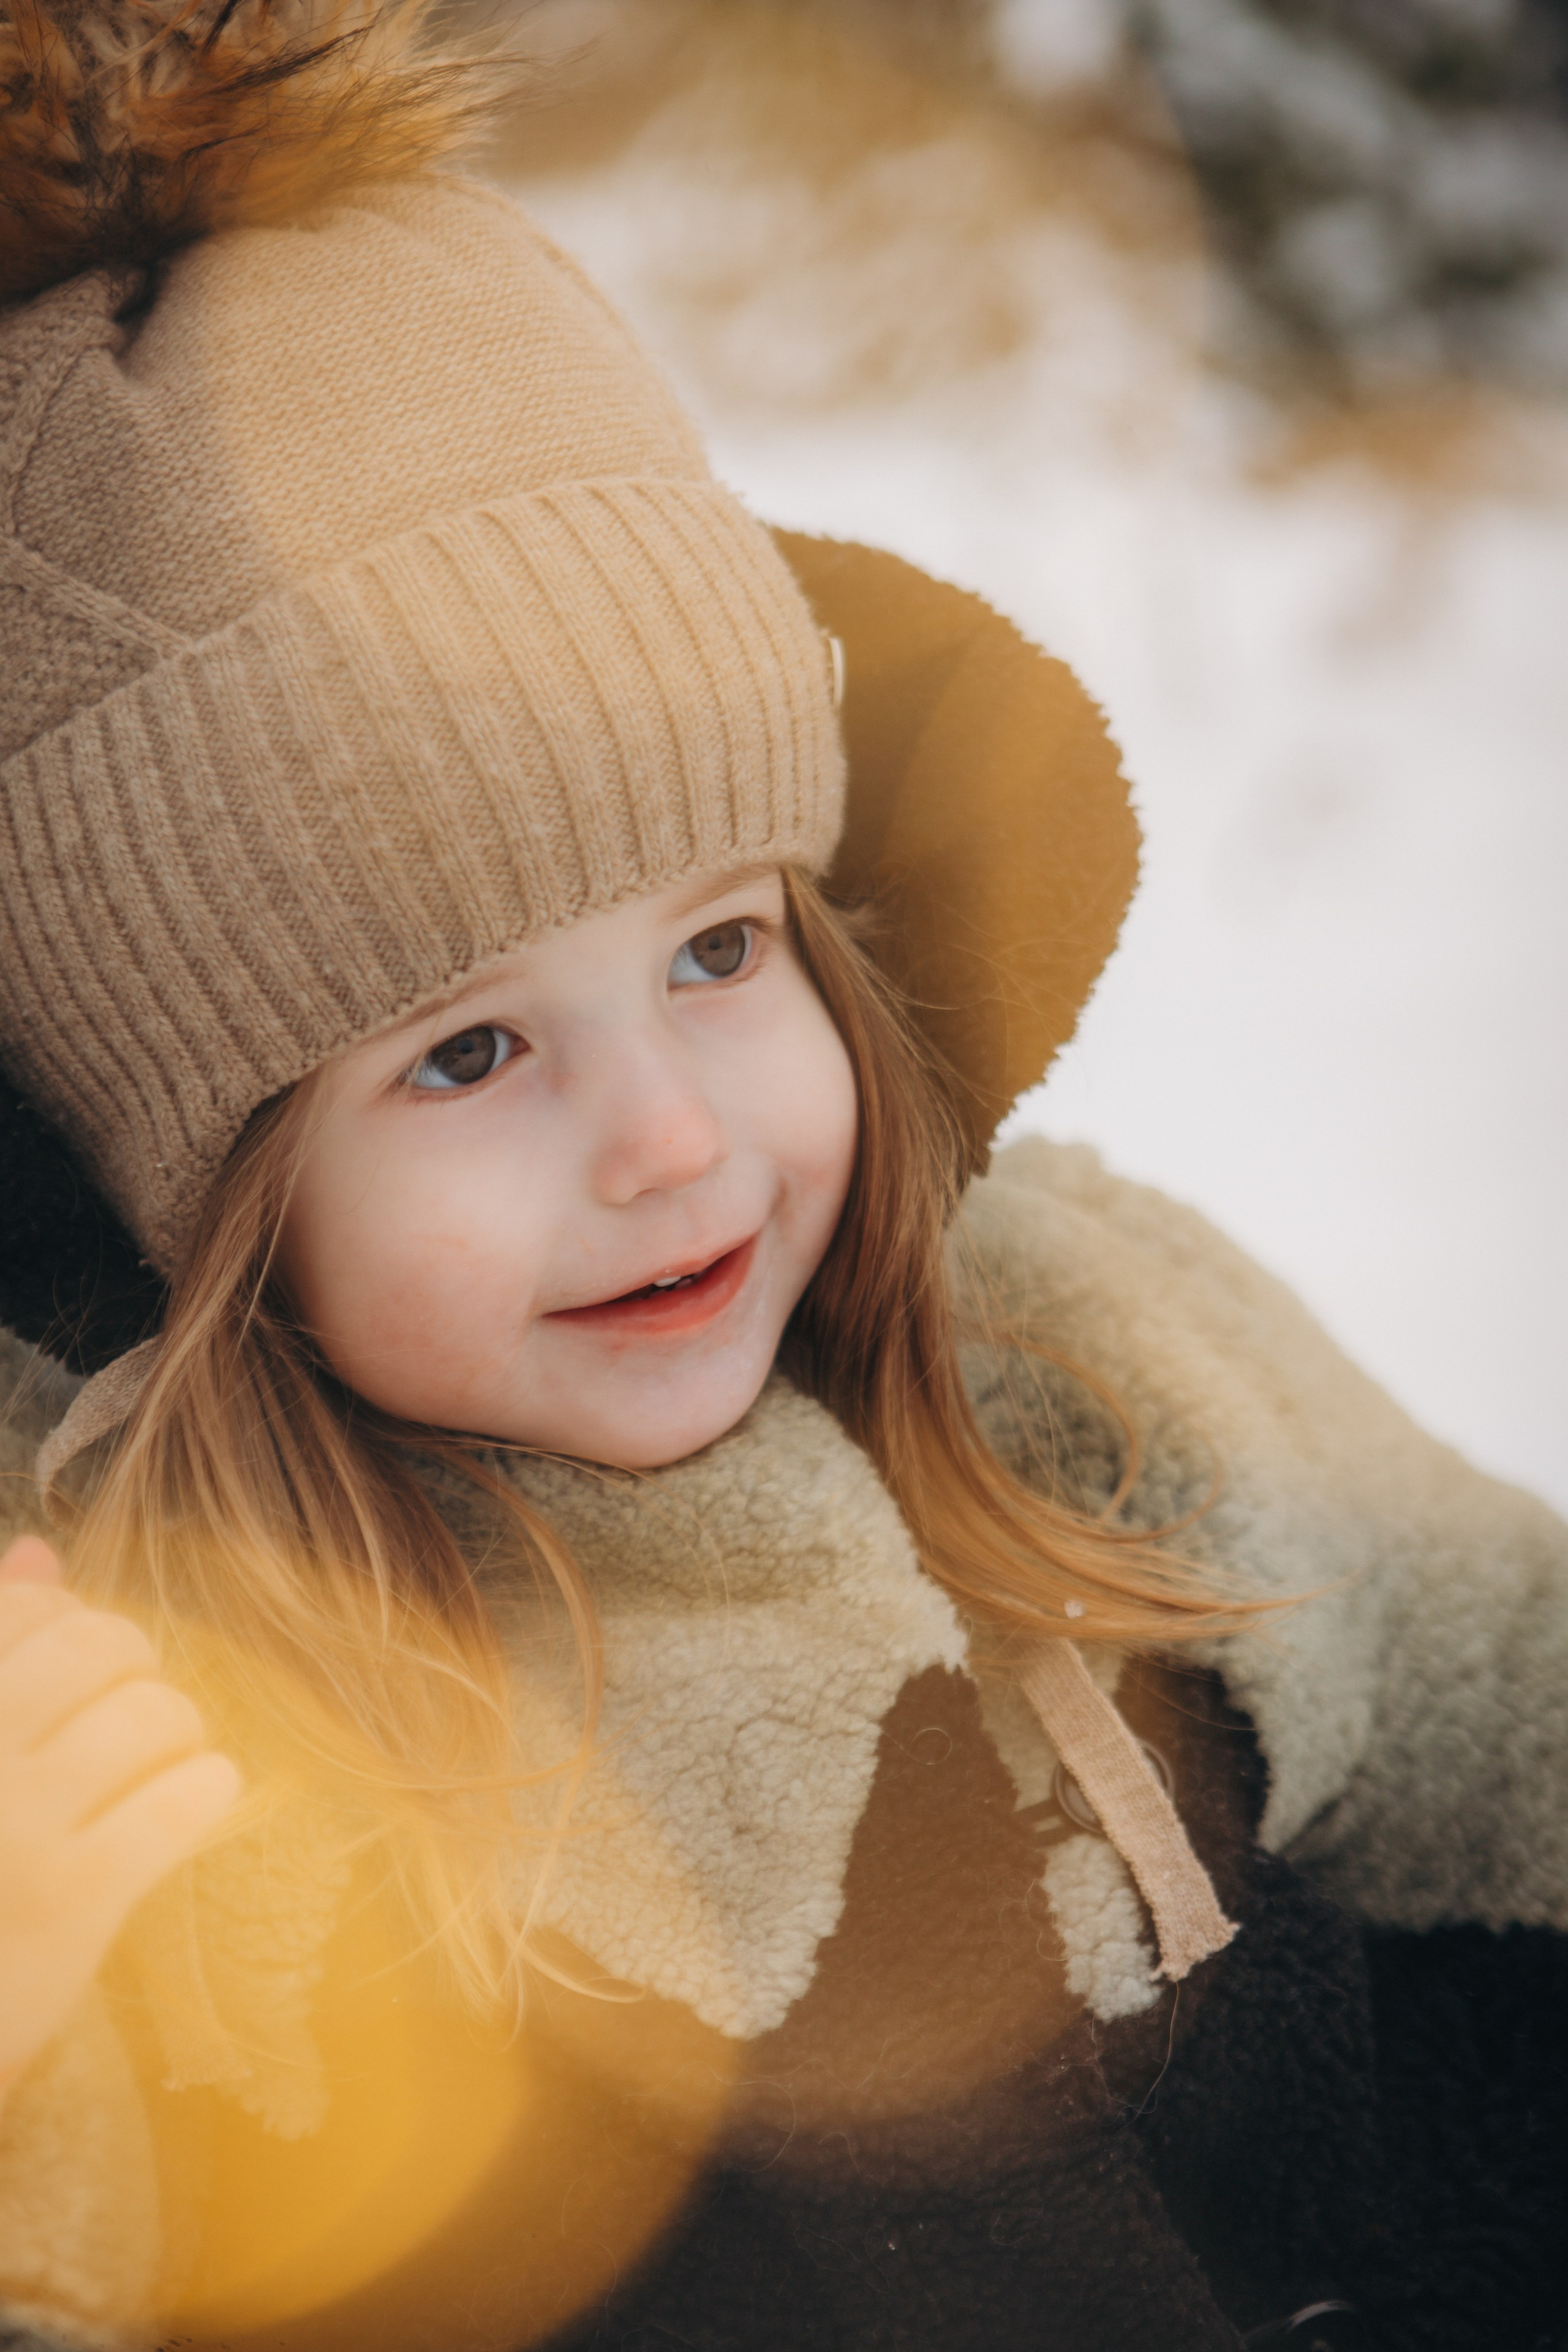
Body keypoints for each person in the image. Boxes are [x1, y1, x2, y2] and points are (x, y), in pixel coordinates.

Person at [1, 6, 1566, 2348]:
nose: (669, 1134)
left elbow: (1515, 1715)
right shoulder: (118, 1705)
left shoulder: (1087, 1358)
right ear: (215, 1201)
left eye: (721, 946)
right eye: (466, 1051)